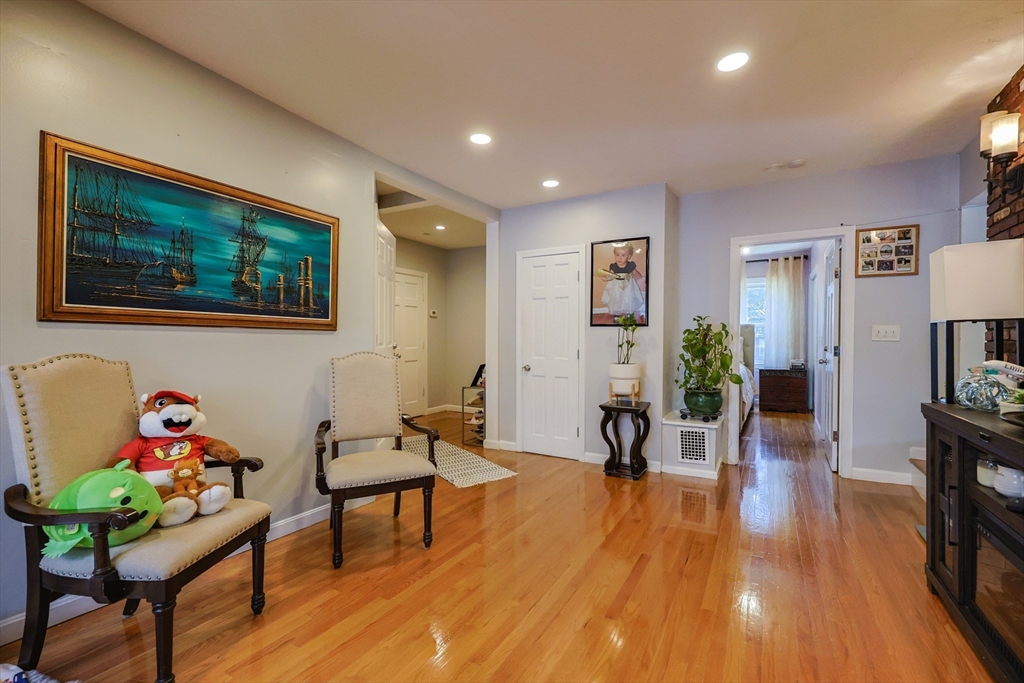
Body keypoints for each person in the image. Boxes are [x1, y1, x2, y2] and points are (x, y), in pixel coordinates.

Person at [601, 242, 646, 318]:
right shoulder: (614, 266)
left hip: (628, 286)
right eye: (617, 255)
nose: (619, 258)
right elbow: (610, 275)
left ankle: (629, 313)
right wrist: (605, 278)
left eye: (623, 255)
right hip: (616, 287)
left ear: (629, 256)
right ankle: (617, 315)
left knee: (628, 299)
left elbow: (636, 273)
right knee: (616, 299)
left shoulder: (630, 265)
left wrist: (640, 277)